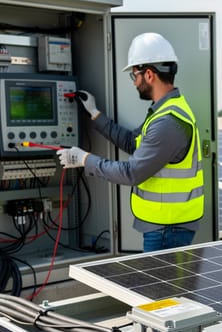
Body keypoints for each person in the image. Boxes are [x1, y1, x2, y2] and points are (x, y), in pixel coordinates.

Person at [57, 32, 205, 252]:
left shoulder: (167, 122)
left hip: (168, 228)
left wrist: (84, 159)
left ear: (149, 75)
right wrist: (95, 114)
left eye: (134, 75)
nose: (134, 82)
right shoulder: (165, 111)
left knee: (159, 277)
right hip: (165, 225)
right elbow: (132, 142)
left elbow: (131, 173)